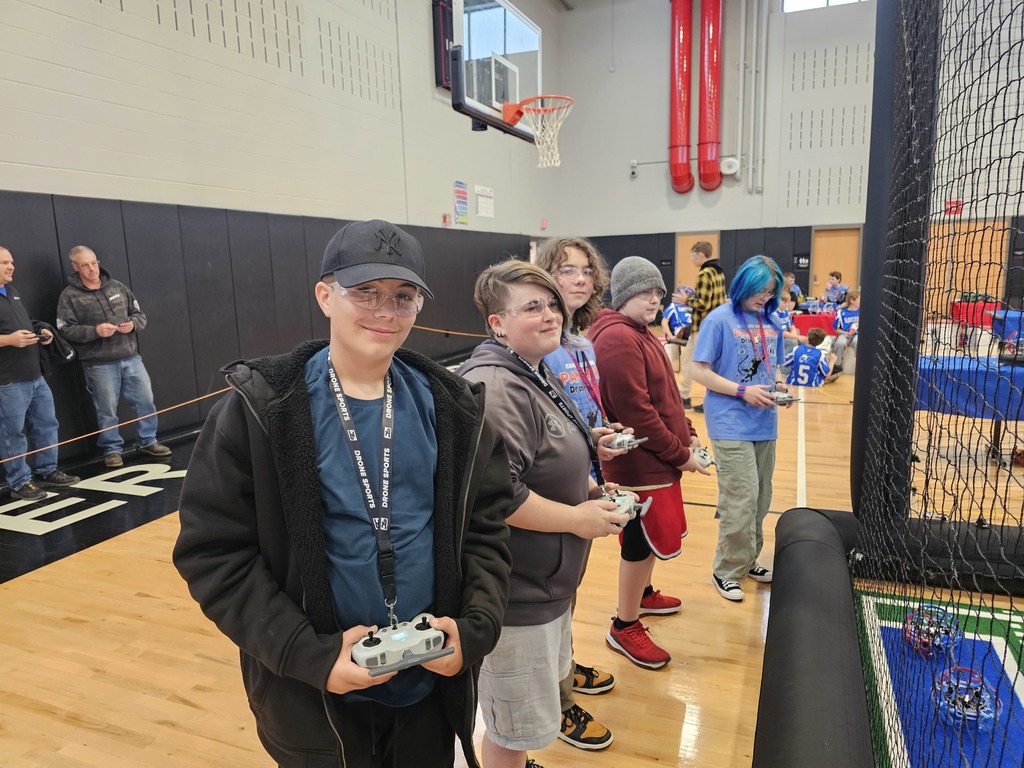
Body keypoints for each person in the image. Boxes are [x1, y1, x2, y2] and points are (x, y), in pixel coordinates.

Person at [173, 219, 514, 768]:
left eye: (403, 297)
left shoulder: (455, 412)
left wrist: (473, 630)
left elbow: (487, 534)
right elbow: (212, 554)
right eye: (365, 292)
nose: (384, 311)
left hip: (427, 690)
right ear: (325, 295)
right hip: (314, 701)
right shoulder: (260, 412)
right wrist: (308, 654)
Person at [457, 260, 627, 768]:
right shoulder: (498, 385)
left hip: (547, 586)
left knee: (523, 723)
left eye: (551, 303)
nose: (551, 313)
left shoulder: (533, 367)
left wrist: (589, 486)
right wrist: (577, 519)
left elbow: (542, 458)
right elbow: (500, 495)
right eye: (533, 306)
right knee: (511, 729)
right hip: (518, 595)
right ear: (497, 323)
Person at [589, 257, 710, 669]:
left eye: (659, 291)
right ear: (623, 293)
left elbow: (666, 397)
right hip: (639, 468)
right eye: (646, 291)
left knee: (646, 539)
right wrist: (681, 454)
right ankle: (624, 626)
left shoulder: (639, 333)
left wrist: (687, 429)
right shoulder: (618, 339)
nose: (655, 299)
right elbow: (637, 413)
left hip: (652, 462)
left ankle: (641, 595)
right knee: (640, 541)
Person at [534, 237, 627, 751]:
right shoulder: (534, 346)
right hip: (552, 492)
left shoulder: (583, 345)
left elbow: (584, 416)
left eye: (586, 271)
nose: (579, 279)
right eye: (566, 269)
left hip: (586, 481)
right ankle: (558, 698)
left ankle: (564, 667)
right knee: (549, 595)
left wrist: (603, 438)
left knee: (569, 592)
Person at [691, 255, 791, 603]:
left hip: (765, 423)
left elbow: (773, 366)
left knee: (761, 498)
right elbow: (697, 371)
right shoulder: (719, 320)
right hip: (730, 421)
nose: (764, 297)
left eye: (770, 292)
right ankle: (727, 570)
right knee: (741, 499)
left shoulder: (772, 321)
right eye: (759, 290)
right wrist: (741, 390)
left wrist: (778, 387)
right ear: (743, 285)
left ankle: (748, 560)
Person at [56, 246, 171, 467]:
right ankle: (112, 450)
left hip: (130, 357)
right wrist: (94, 331)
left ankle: (148, 441)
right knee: (106, 410)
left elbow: (139, 314)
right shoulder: (69, 296)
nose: (91, 269)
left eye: (94, 263)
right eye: (85, 265)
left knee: (145, 401)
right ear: (75, 267)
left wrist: (133, 325)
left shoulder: (117, 286)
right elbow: (64, 330)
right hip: (98, 364)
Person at [0, 246, 80, 501]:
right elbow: (11, 334)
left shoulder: (11, 292)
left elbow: (26, 323)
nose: (11, 267)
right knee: (12, 432)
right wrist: (9, 340)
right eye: (4, 263)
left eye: (11, 261)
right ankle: (20, 482)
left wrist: (41, 331)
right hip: (8, 380)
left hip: (34, 374)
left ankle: (48, 470)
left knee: (46, 424)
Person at [679, 241, 727, 413]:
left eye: (693, 255)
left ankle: (686, 397)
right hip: (715, 325)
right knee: (706, 364)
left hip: (703, 325)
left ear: (700, 254)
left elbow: (703, 303)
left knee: (693, 362)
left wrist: (686, 301)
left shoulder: (704, 273)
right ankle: (688, 396)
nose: (692, 259)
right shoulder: (719, 273)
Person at [825, 289, 860, 383]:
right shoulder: (841, 312)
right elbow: (835, 328)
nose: (861, 301)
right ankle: (837, 367)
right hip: (844, 333)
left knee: (857, 342)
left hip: (857, 334)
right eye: (859, 299)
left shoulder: (862, 311)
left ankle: (860, 368)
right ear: (852, 300)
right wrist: (844, 333)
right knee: (840, 343)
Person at [661, 285, 694, 372]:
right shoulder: (673, 306)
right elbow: (664, 322)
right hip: (682, 331)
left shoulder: (692, 306)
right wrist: (671, 336)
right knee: (693, 327)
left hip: (693, 331)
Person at [773, 291, 803, 362]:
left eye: (788, 302)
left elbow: (792, 326)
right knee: (792, 342)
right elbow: (780, 332)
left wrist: (795, 335)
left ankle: (800, 362)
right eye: (784, 303)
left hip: (787, 334)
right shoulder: (774, 313)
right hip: (778, 337)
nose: (787, 305)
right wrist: (796, 337)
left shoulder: (785, 312)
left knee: (800, 337)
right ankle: (784, 366)